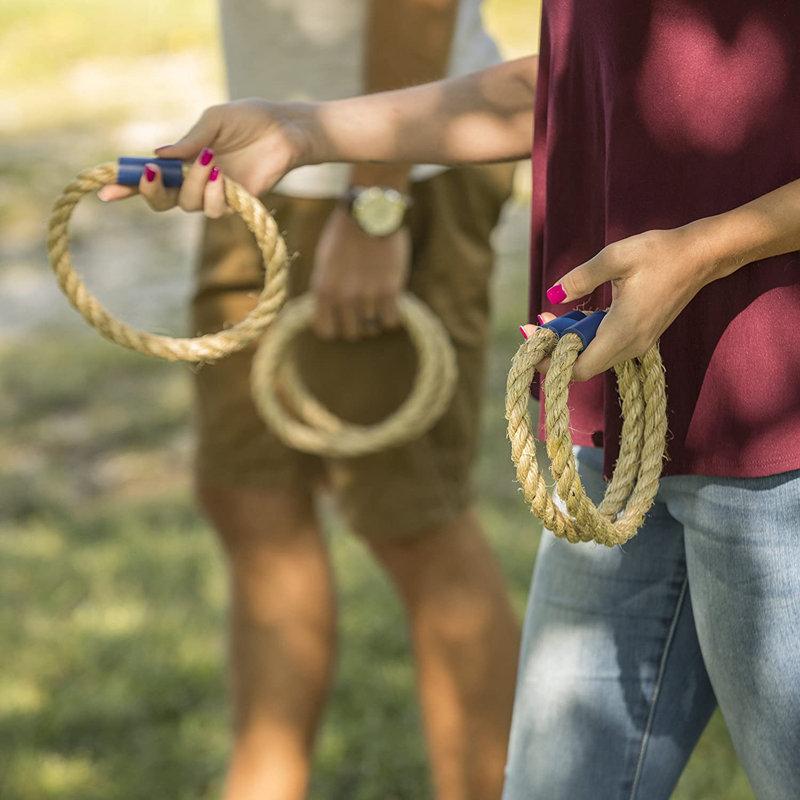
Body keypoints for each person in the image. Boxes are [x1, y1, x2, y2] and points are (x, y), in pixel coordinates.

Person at [101, 1, 800, 798]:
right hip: (621, 439)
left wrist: (705, 251)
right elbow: (567, 89)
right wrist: (301, 130)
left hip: (774, 442)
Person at [105, 3, 519, 800]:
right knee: (249, 494)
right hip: (257, 156)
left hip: (393, 171)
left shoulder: (380, 192)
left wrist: (376, 205)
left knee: (410, 518)